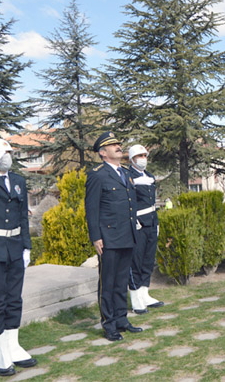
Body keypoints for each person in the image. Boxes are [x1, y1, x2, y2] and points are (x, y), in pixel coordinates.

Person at [0, 139, 37, 376]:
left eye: (10, 153)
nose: (9, 157)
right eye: (4, 153)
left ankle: (13, 347)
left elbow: (23, 216)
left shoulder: (18, 181)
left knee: (14, 299)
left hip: (14, 246)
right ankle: (1, 354)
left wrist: (26, 246)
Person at [85, 132, 144, 341]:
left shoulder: (126, 173)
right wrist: (96, 237)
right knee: (108, 282)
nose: (119, 147)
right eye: (113, 145)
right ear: (103, 152)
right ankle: (109, 324)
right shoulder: (97, 174)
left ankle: (121, 319)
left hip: (126, 234)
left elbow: (131, 205)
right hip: (108, 237)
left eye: (119, 143)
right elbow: (91, 209)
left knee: (121, 281)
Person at [126, 145, 164, 314]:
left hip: (150, 222)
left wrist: (156, 223)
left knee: (148, 260)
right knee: (136, 260)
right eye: (139, 156)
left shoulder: (149, 176)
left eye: (145, 155)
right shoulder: (128, 176)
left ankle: (144, 293)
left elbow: (152, 203)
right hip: (138, 223)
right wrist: (133, 221)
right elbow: (129, 202)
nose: (143, 158)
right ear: (132, 159)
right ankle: (135, 298)